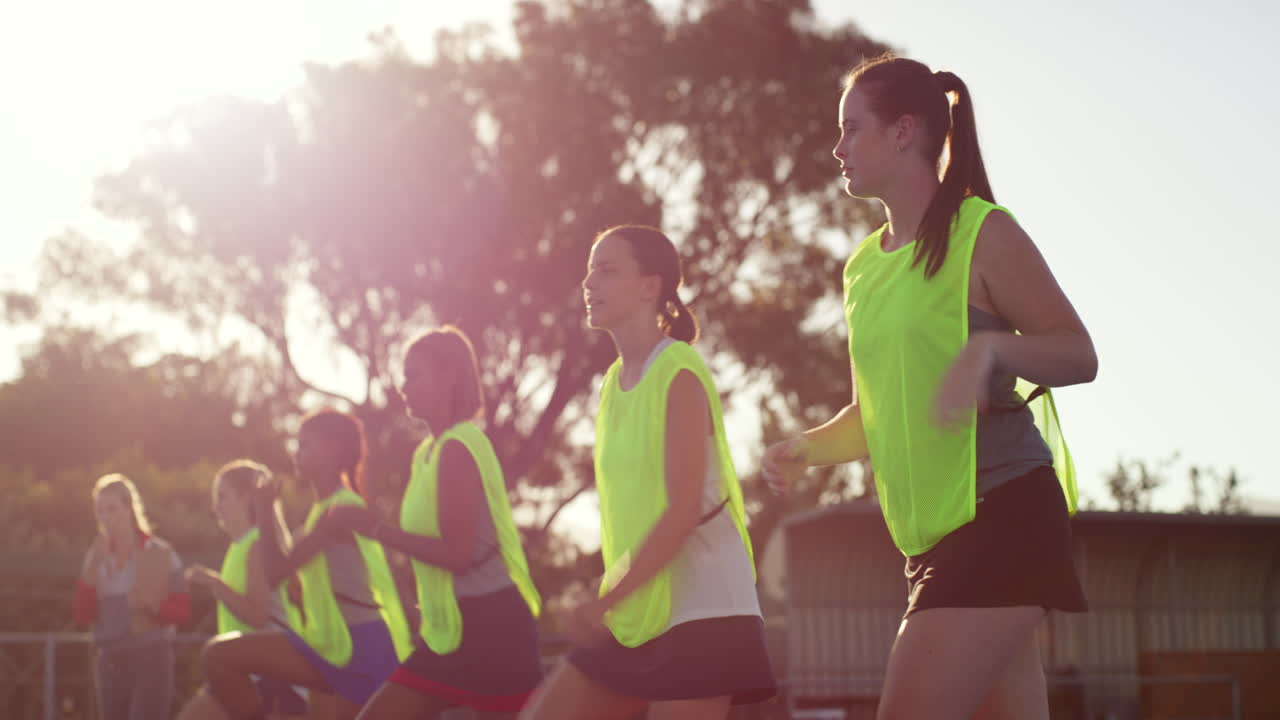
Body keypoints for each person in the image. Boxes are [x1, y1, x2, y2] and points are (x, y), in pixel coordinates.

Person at [762, 54, 1096, 719]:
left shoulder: (984, 233)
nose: (838, 148)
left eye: (852, 128)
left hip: (1003, 515)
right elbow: (873, 413)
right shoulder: (862, 270)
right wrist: (807, 447)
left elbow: (1078, 354)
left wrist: (991, 350)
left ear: (903, 132)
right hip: (933, 537)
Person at [521, 225, 776, 720]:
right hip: (639, 611)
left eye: (608, 270)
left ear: (650, 286)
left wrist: (604, 600)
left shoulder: (678, 371)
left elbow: (681, 512)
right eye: (590, 270)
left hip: (704, 611)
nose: (590, 282)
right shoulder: (614, 385)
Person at [333, 325, 543, 719]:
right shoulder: (427, 453)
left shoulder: (458, 448)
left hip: (493, 630)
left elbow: (457, 555)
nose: (402, 385)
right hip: (455, 630)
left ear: (450, 378)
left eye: (414, 374)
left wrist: (376, 530)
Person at [201, 410, 413, 720]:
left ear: (334, 450)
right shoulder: (319, 514)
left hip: (363, 646)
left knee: (218, 656)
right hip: (330, 644)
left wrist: (263, 509)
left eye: (304, 445)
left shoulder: (340, 511)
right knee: (217, 656)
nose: (295, 453)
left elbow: (275, 572)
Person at [177, 460, 307, 720]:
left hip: (267, 675)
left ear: (246, 498)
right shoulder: (240, 546)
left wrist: (214, 583)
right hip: (244, 671)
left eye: (222, 497)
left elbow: (257, 616)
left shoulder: (256, 545)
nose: (216, 507)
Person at [74, 473, 191, 720]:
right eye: (100, 511)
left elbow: (183, 611)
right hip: (110, 659)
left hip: (152, 655)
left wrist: (154, 606)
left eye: (112, 509)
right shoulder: (94, 557)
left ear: (129, 508)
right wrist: (93, 567)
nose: (106, 518)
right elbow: (83, 615)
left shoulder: (162, 553)